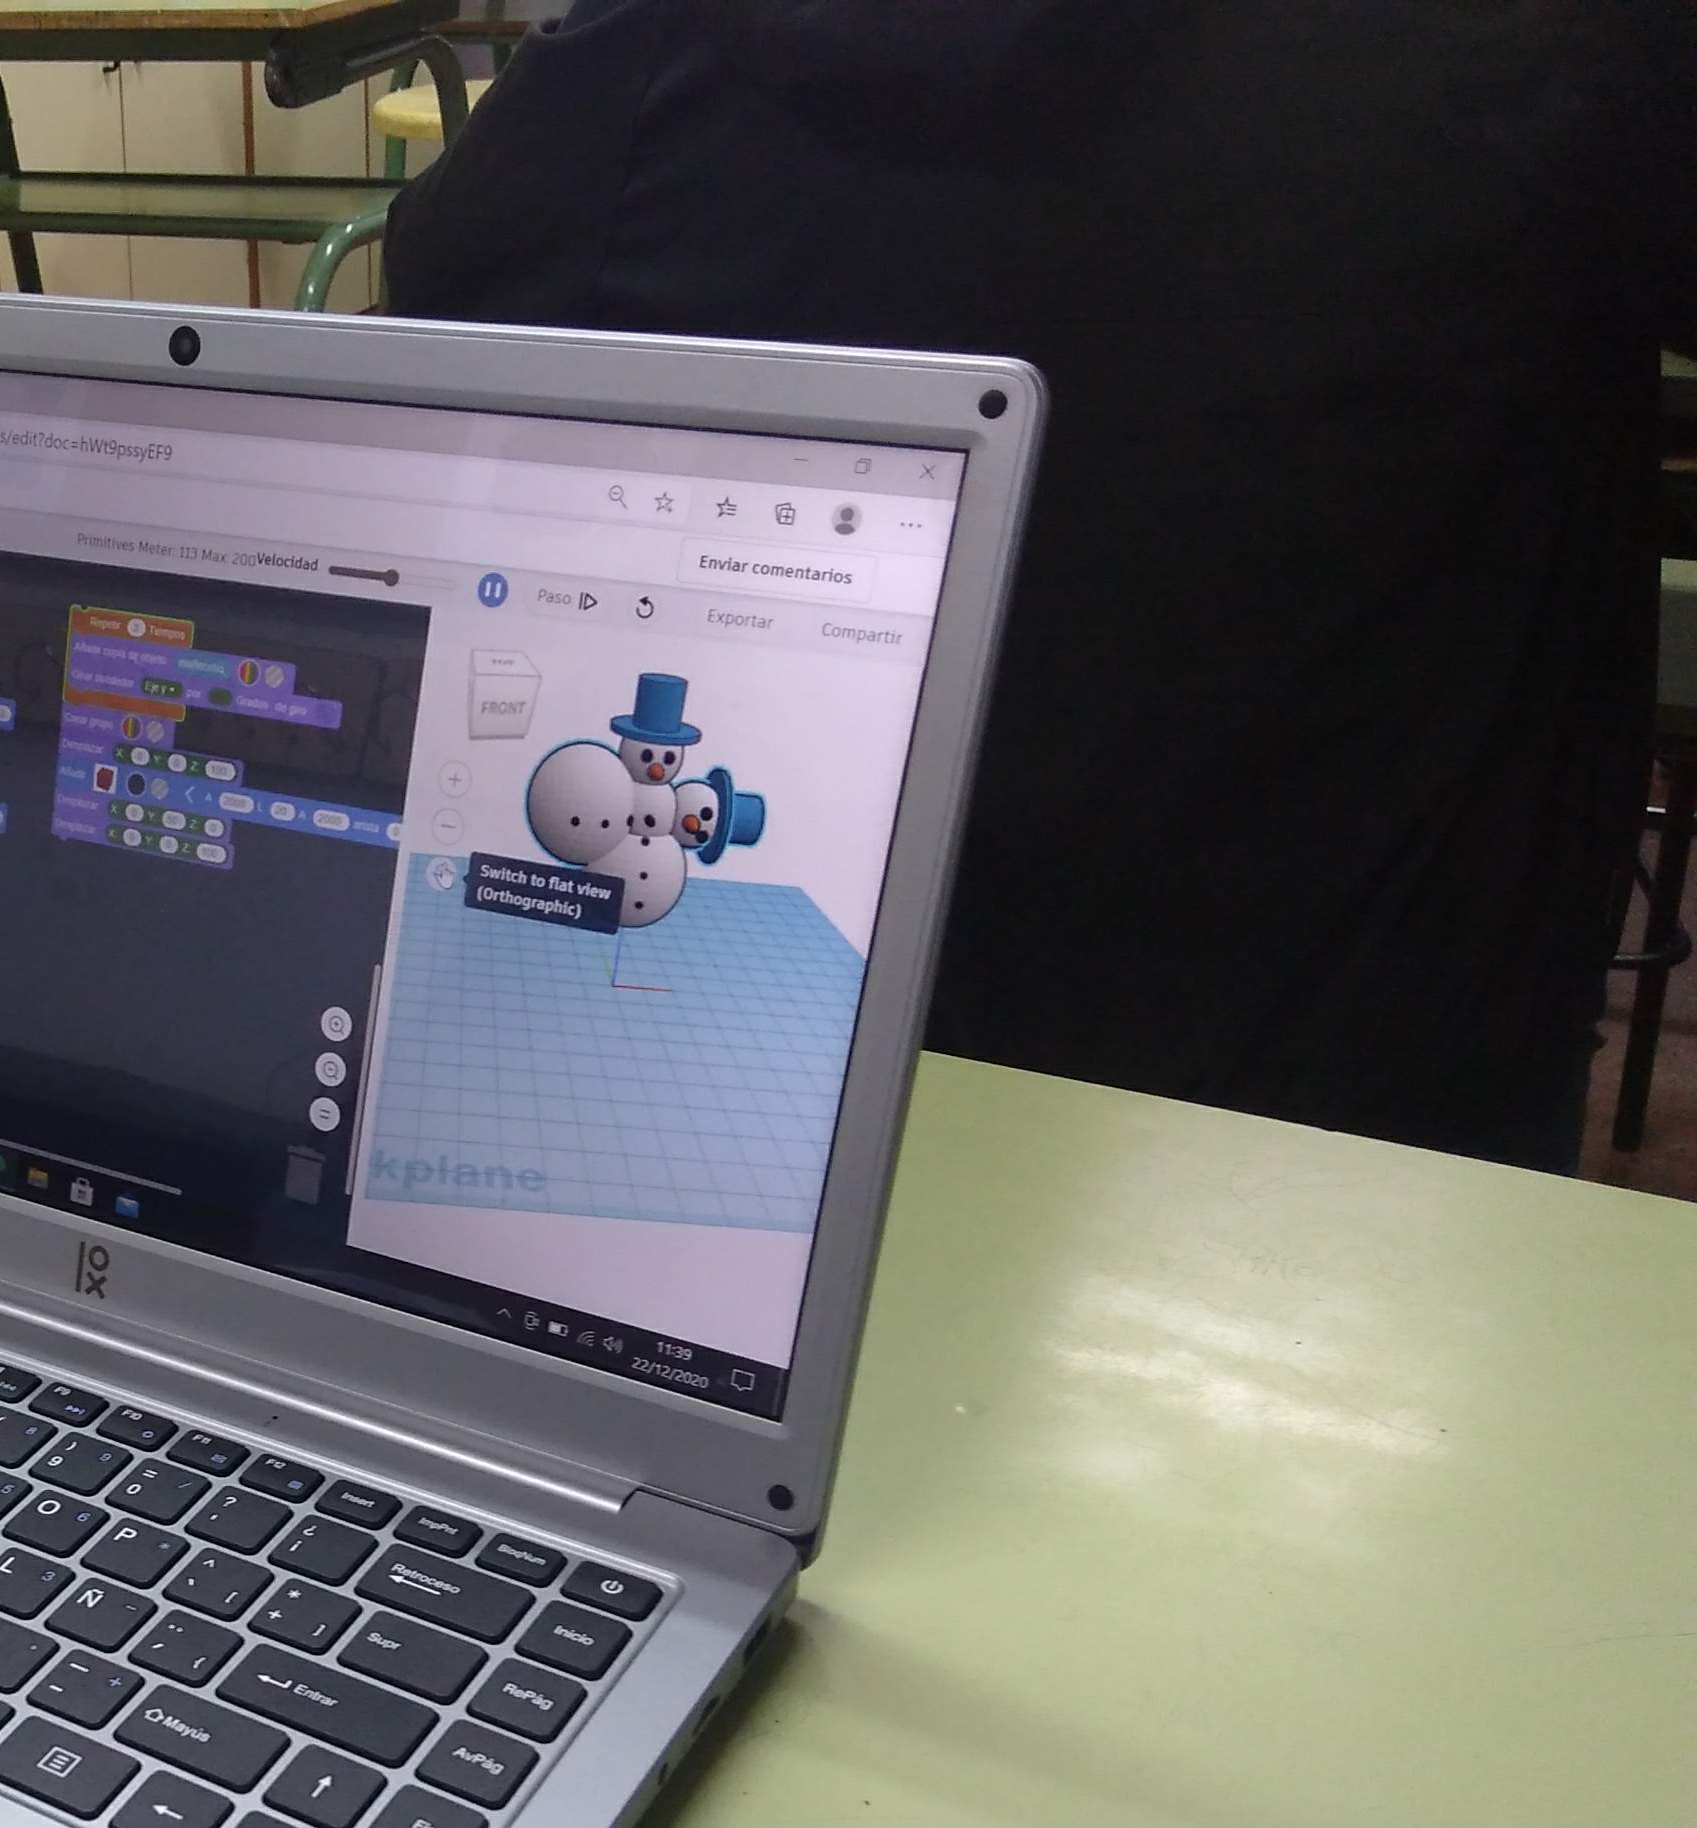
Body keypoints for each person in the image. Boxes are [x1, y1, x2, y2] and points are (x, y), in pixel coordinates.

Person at [385, 0, 1697, 1169]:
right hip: (1358, 1132)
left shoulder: (651, 63)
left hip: (791, 1094)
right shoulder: (1553, 50)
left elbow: (444, 291)